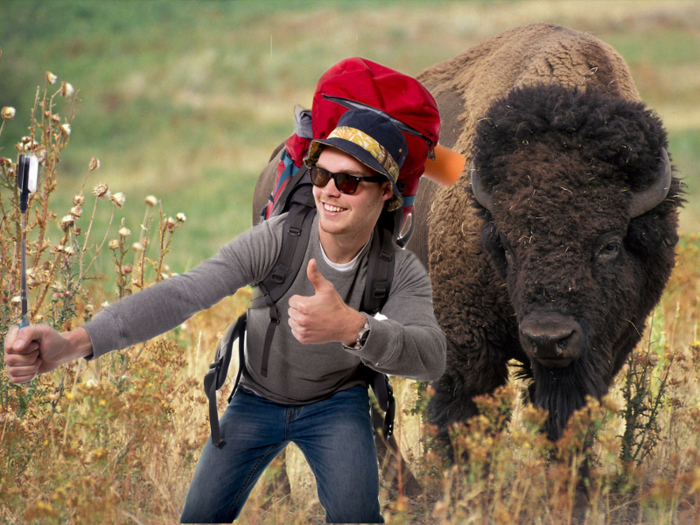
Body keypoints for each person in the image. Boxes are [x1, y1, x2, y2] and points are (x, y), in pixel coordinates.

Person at [4, 107, 446, 523]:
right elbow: (186, 292)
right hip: (256, 398)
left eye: (349, 182)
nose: (329, 190)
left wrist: (354, 328)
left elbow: (431, 357)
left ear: (385, 191)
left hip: (337, 402)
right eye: (322, 174)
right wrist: (71, 344)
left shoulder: (397, 269)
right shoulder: (280, 239)